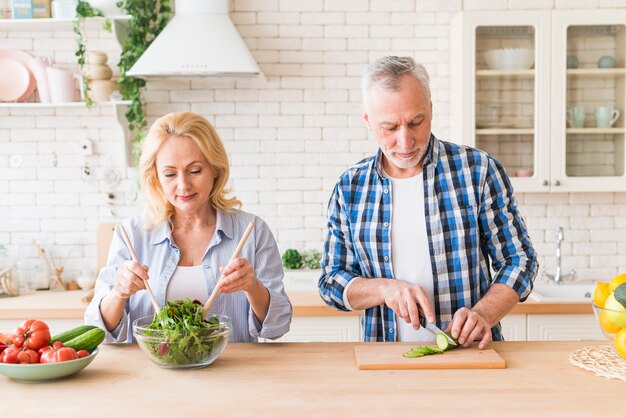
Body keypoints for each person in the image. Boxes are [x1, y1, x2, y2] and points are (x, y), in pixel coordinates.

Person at [318, 56, 538, 348]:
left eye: (415, 122)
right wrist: (384, 289)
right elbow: (332, 281)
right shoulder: (350, 188)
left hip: (468, 354)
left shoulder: (478, 171)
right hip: (385, 358)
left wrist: (483, 314)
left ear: (430, 109)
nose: (405, 142)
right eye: (390, 128)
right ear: (368, 120)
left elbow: (519, 260)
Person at [85, 111, 292, 342]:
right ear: (156, 177)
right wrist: (118, 293)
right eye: (170, 174)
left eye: (195, 171)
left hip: (234, 375)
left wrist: (253, 287)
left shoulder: (252, 231)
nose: (183, 185)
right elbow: (98, 332)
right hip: (151, 375)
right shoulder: (131, 233)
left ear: (215, 168)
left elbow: (279, 325)